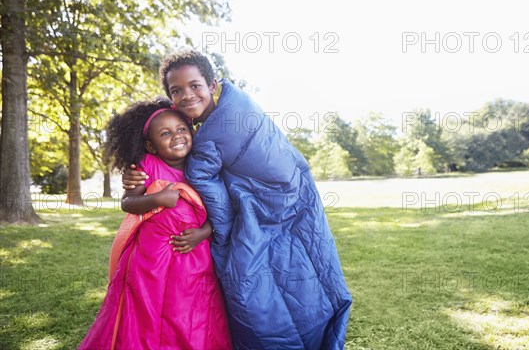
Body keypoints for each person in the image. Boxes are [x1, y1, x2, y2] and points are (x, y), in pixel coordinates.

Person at [123, 50, 352, 349]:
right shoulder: (239, 103)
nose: (187, 95)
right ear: (169, 98)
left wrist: (214, 235)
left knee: (253, 288)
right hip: (294, 195)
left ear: (213, 85)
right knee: (300, 276)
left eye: (195, 86)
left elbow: (213, 192)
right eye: (176, 91)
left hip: (281, 205)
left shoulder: (212, 137)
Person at [80, 99, 231, 350]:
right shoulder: (147, 166)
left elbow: (221, 211)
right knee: (144, 309)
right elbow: (128, 203)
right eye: (165, 133)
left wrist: (203, 233)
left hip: (192, 257)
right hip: (149, 260)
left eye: (181, 129)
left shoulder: (203, 166)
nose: (176, 136)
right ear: (150, 146)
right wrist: (157, 199)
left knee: (188, 310)